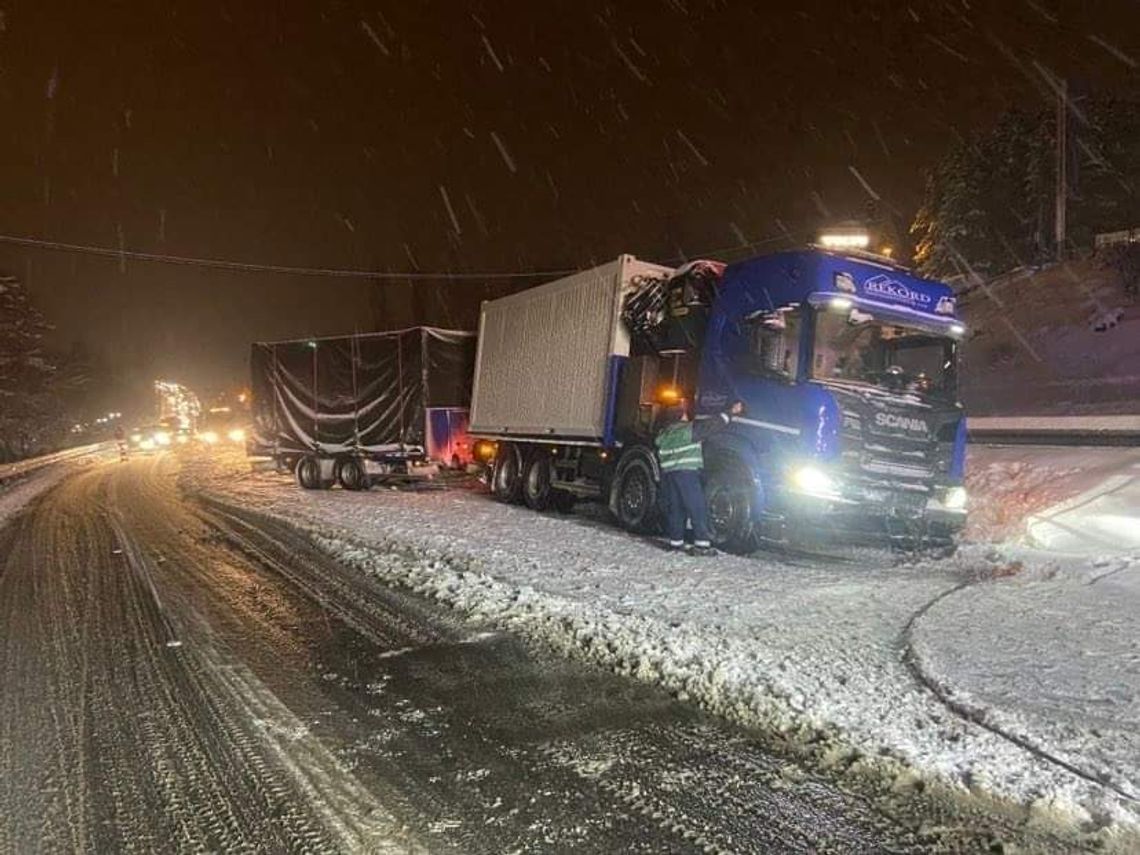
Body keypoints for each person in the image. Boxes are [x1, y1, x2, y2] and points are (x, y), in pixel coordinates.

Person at [654, 394, 745, 555]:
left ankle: (676, 543)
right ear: (681, 415)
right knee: (697, 507)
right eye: (684, 412)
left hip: (669, 474)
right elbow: (712, 425)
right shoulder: (686, 431)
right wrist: (731, 412)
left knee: (676, 508)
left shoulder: (665, 434)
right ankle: (702, 544)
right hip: (687, 474)